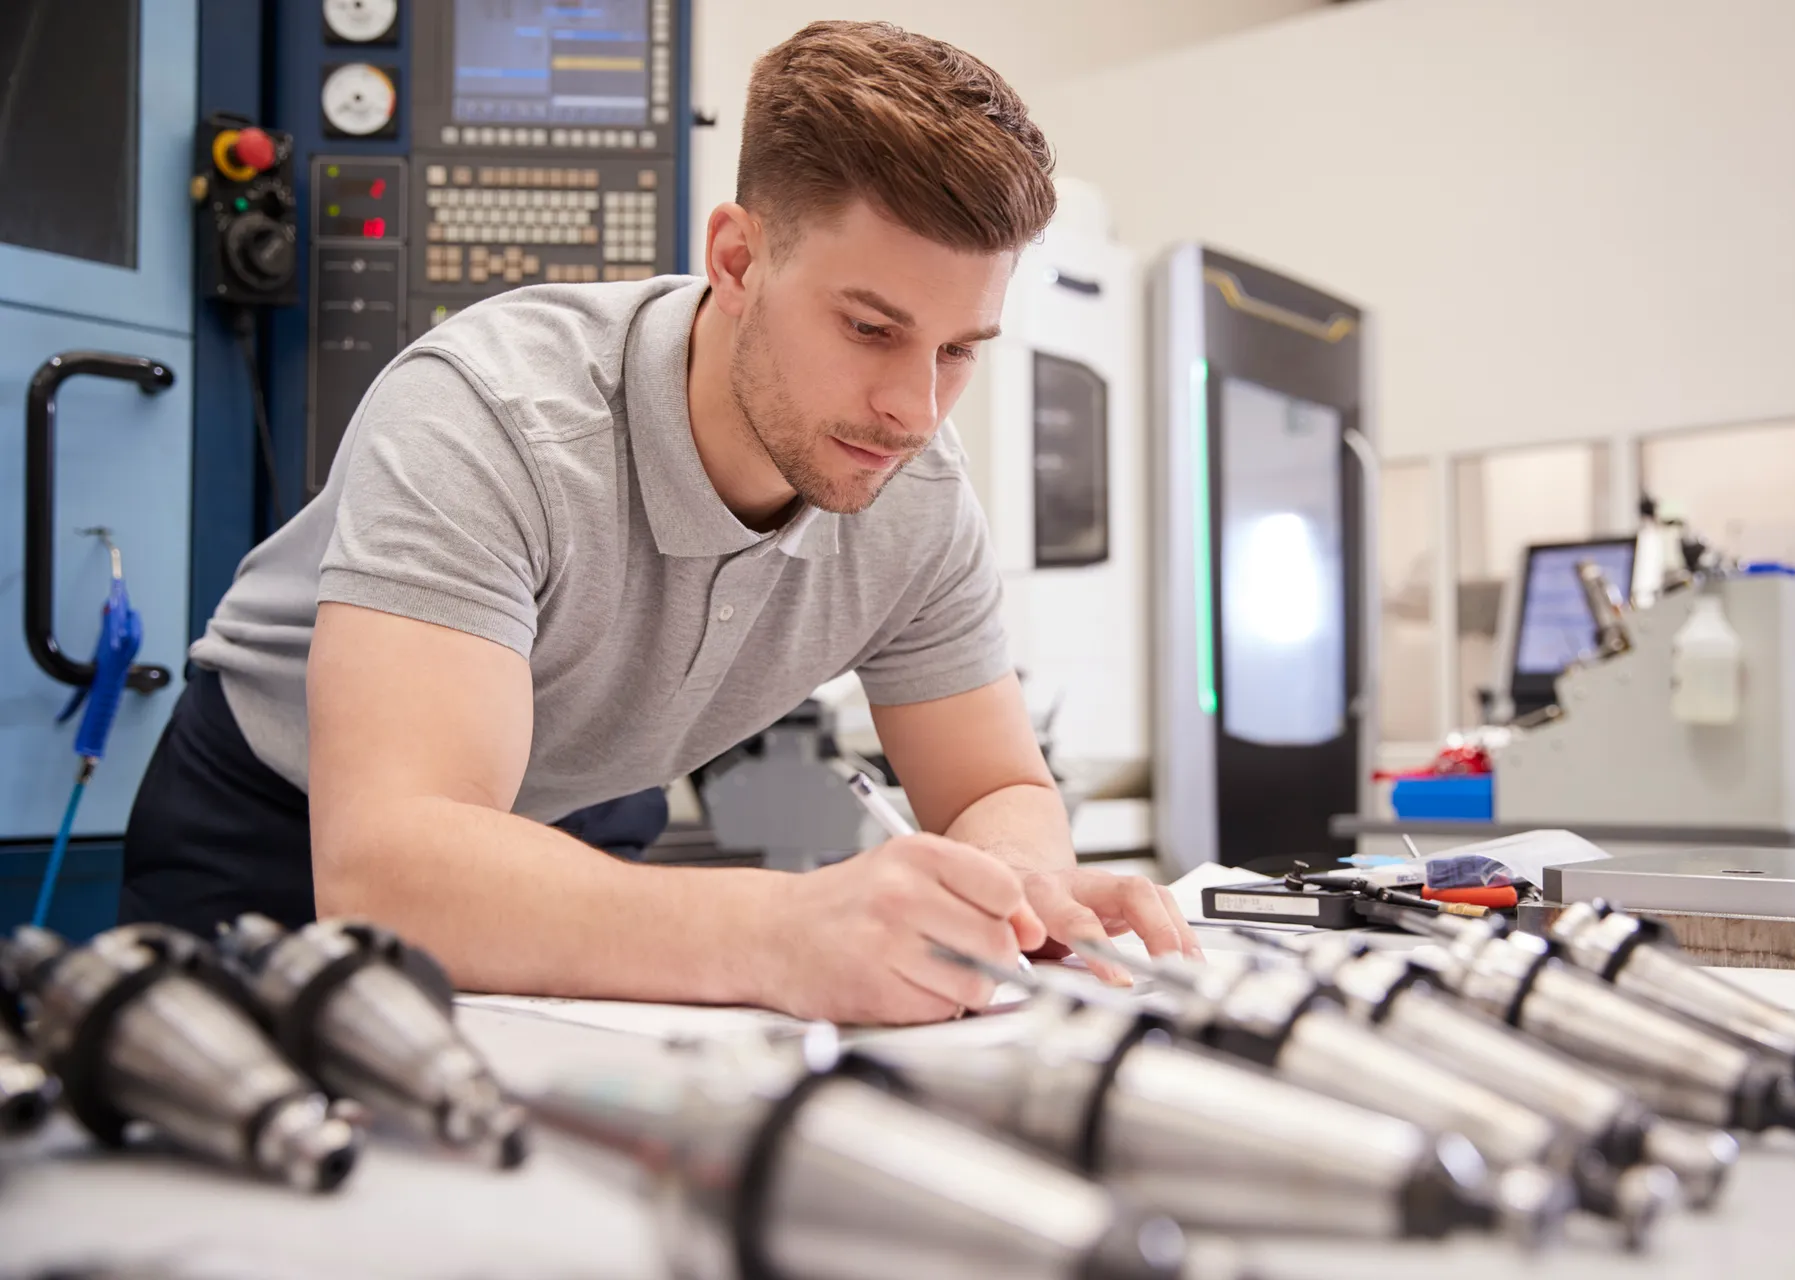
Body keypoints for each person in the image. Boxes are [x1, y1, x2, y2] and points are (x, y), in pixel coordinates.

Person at [120, 20, 1199, 1024]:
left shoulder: (915, 492)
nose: (916, 410)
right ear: (737, 261)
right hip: (284, 829)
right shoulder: (489, 416)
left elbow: (996, 784)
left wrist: (1022, 889)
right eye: (871, 328)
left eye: (960, 349)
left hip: (568, 827)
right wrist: (790, 930)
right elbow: (395, 869)